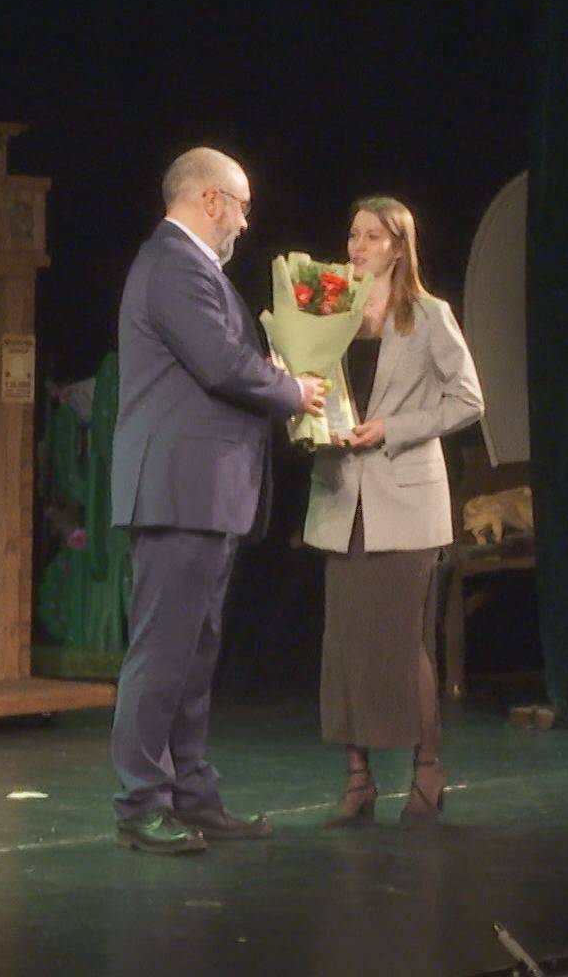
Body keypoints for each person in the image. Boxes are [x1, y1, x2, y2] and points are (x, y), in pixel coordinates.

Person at [109, 147, 327, 855]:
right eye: (240, 206)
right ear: (210, 200)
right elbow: (221, 364)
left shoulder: (192, 269)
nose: (244, 221)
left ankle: (192, 797)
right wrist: (293, 390)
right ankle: (142, 804)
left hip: (204, 494)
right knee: (162, 656)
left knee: (193, 659)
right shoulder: (174, 264)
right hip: (180, 492)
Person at [304, 196, 483, 827]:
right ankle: (358, 780)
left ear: (399, 247)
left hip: (404, 502)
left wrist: (394, 428)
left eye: (372, 237)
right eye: (353, 235)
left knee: (405, 645)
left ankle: (427, 770)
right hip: (341, 500)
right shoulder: (331, 313)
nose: (357, 247)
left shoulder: (429, 315)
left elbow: (468, 401)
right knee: (345, 647)